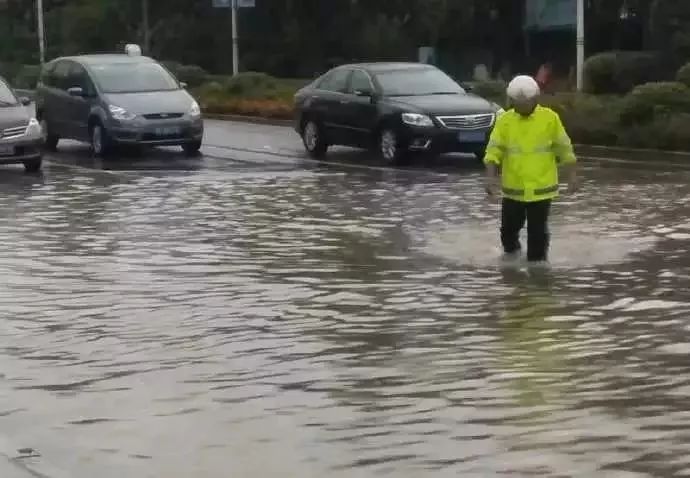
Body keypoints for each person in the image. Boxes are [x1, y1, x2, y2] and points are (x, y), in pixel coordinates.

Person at [484, 75, 578, 263]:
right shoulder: (505, 121)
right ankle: (512, 265)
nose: (522, 106)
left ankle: (538, 271)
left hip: (542, 189)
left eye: (525, 102)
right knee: (508, 232)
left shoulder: (550, 118)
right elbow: (493, 151)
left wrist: (572, 176)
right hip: (513, 190)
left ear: (535, 99)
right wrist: (490, 178)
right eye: (517, 102)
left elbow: (564, 148)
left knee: (538, 233)